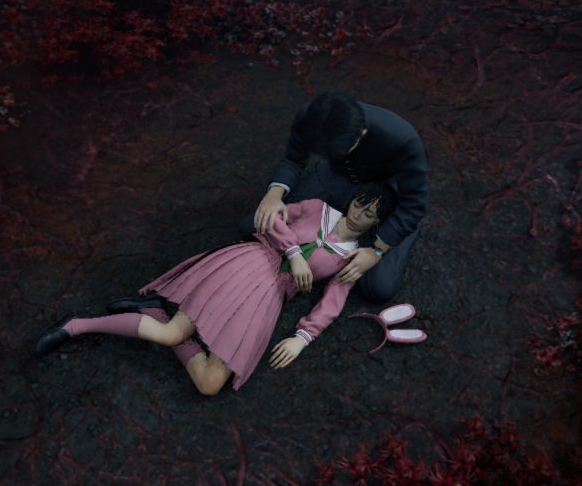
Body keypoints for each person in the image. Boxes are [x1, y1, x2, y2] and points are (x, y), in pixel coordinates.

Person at [36, 183, 398, 396]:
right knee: (172, 334)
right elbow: (271, 216)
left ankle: (154, 311)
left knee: (209, 384)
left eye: (369, 214)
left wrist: (302, 338)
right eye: (359, 204)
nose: (358, 214)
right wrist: (293, 252)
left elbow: (333, 302)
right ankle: (76, 326)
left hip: (269, 297)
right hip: (249, 264)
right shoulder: (318, 209)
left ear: (377, 223)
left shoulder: (354, 257)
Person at [241, 92, 428, 303]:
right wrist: (273, 195)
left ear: (361, 133)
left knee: (378, 288)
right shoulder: (311, 116)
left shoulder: (403, 139)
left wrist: (377, 250)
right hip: (335, 177)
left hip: (382, 194)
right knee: (252, 225)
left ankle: (399, 231)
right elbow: (293, 160)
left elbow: (414, 204)